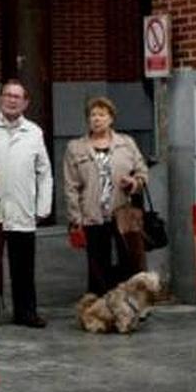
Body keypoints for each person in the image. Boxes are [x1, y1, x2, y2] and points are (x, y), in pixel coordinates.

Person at [0, 79, 54, 328]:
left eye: (17, 96)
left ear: (25, 102)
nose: (12, 100)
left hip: (22, 207)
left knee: (24, 266)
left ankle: (26, 312)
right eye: (8, 95)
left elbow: (44, 172)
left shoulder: (34, 132)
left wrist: (43, 206)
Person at [63, 96, 149, 297]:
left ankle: (130, 304)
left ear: (111, 118)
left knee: (129, 261)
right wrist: (76, 218)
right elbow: (70, 186)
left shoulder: (126, 144)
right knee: (97, 265)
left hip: (122, 213)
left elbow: (142, 172)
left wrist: (134, 183)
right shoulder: (75, 147)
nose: (96, 119)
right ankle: (99, 307)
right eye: (92, 115)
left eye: (102, 115)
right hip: (92, 214)